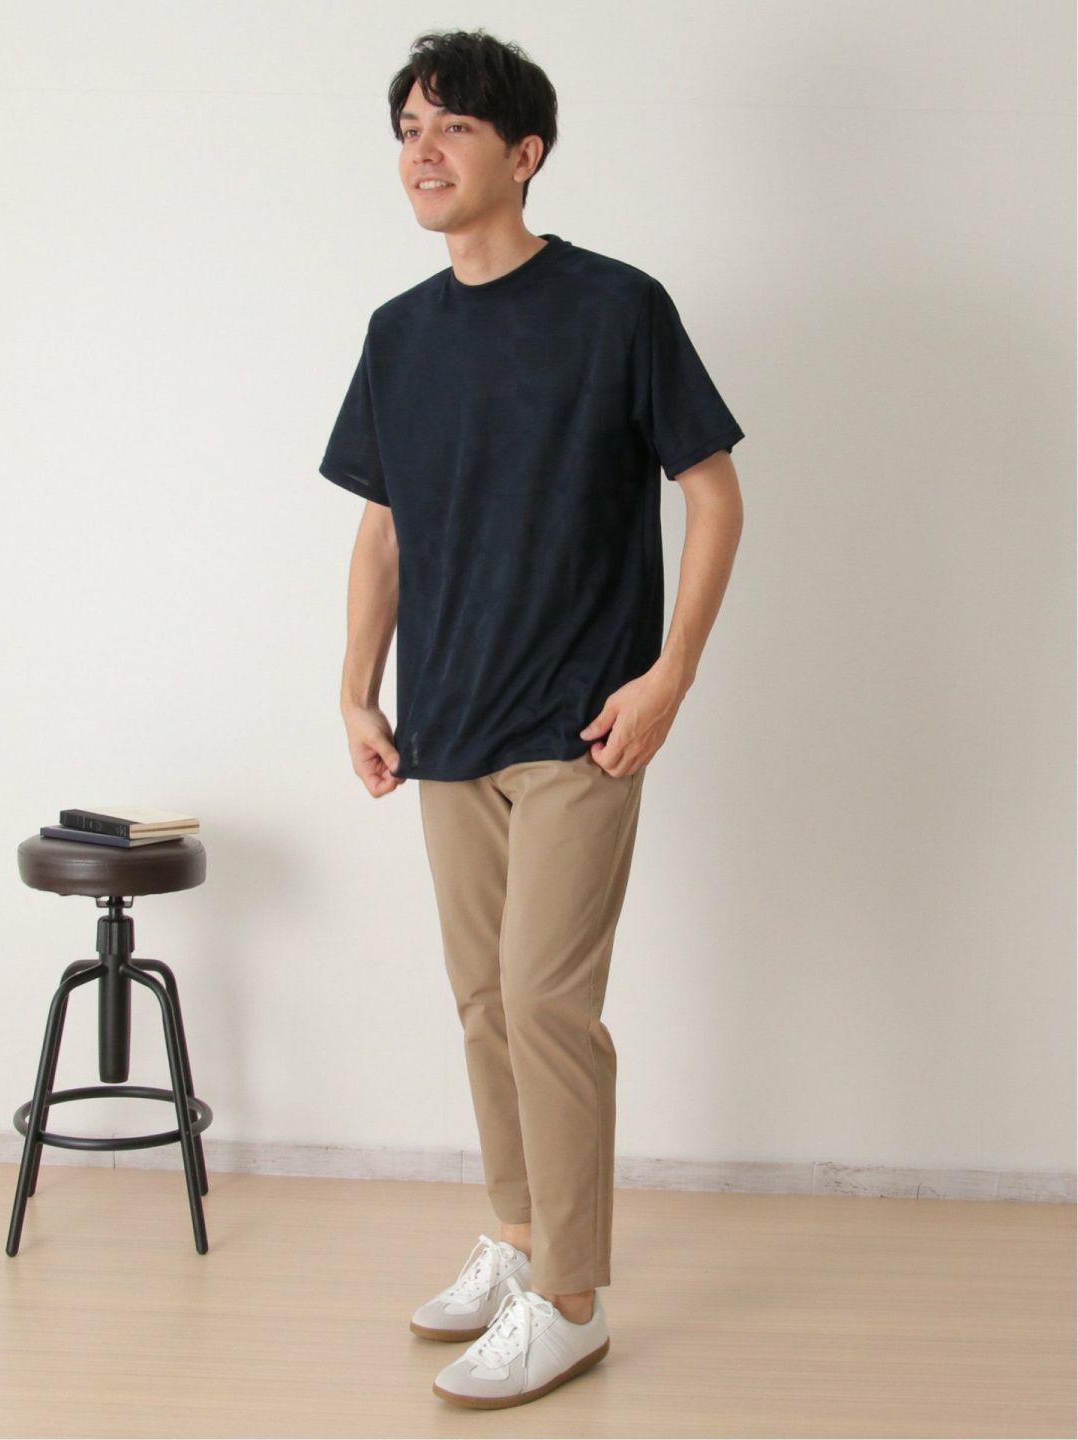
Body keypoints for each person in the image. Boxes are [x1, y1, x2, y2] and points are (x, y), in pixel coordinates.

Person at [319, 27, 745, 1411]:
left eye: (451, 126)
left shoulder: (618, 308)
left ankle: (570, 1299)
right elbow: (383, 529)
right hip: (445, 722)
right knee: (483, 1006)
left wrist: (670, 675)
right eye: (407, 129)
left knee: (546, 1003)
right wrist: (355, 689)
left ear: (525, 152)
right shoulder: (399, 334)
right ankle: (515, 1237)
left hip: (580, 721)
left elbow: (714, 495)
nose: (422, 152)